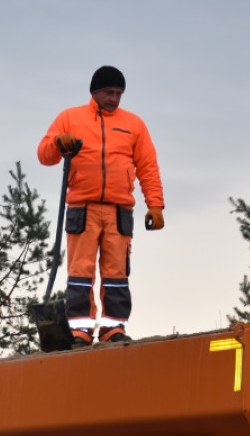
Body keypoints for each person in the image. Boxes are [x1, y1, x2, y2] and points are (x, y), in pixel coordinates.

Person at [36, 65, 165, 346]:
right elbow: (44, 155)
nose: (115, 98)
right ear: (95, 92)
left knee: (116, 273)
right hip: (83, 208)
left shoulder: (134, 124)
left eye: (119, 93)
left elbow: (148, 167)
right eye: (110, 92)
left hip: (119, 210)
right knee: (80, 272)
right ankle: (80, 331)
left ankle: (113, 329)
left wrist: (155, 205)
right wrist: (59, 142)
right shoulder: (70, 117)